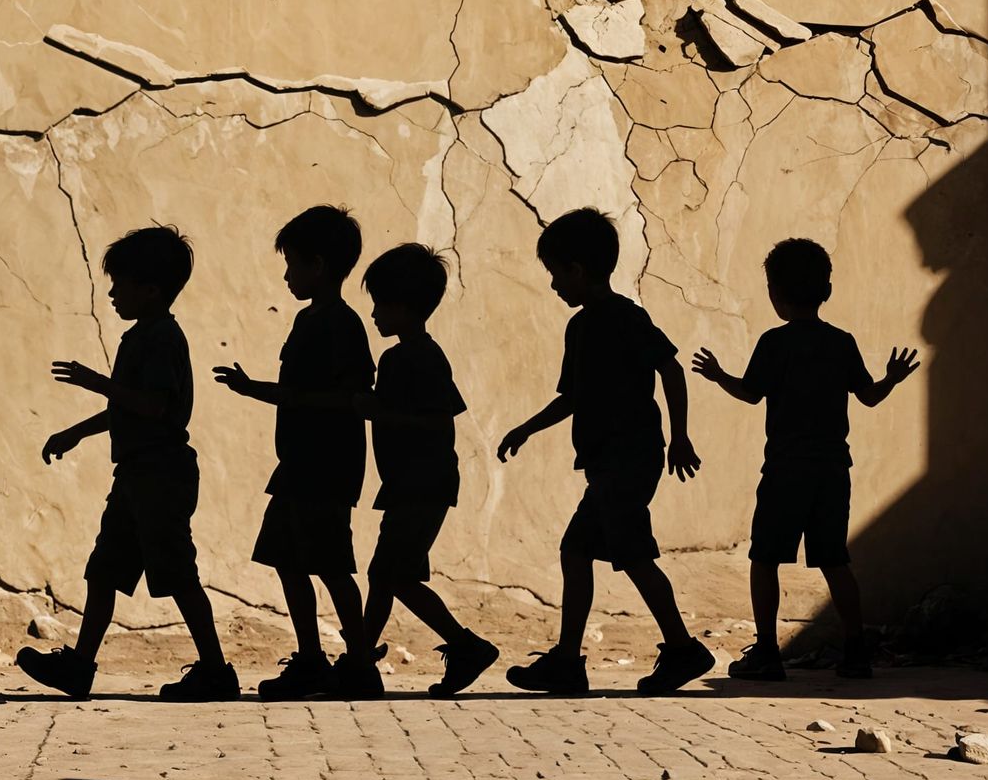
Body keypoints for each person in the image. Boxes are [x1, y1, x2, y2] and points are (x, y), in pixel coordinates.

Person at [497, 207, 711, 697]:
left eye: (555, 275)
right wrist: (526, 428)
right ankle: (567, 662)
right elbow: (571, 397)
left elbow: (671, 370)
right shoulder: (580, 328)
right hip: (606, 463)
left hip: (630, 458)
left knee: (633, 556)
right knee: (576, 551)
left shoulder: (625, 318)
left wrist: (680, 436)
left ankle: (683, 649)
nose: (553, 286)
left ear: (576, 270)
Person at [19, 226, 235, 702]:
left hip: (161, 474)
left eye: (121, 283)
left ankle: (216, 670)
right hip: (136, 474)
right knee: (105, 571)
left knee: (178, 573)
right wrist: (76, 432)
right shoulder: (140, 337)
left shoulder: (161, 338)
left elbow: (154, 405)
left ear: (152, 289)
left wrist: (95, 382)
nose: (112, 293)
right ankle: (79, 666)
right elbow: (129, 406)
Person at [691, 237, 919, 680]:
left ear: (775, 294)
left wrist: (719, 376)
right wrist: (891, 378)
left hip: (785, 468)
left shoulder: (773, 343)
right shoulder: (841, 343)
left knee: (766, 559)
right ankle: (856, 652)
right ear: (826, 291)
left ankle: (767, 653)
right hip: (833, 469)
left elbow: (751, 393)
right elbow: (869, 397)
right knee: (834, 560)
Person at [214, 206, 378, 700]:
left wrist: (267, 393)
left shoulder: (340, 325)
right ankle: (312, 659)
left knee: (330, 565)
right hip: (301, 465)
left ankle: (360, 663)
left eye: (293, 264)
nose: (287, 275)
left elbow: (352, 395)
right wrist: (257, 390)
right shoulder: (312, 320)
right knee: (288, 559)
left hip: (324, 467)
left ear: (319, 265)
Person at [355, 243, 498, 698]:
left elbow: (438, 420)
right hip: (411, 483)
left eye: (382, 304)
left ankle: (464, 644)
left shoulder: (415, 357)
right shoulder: (408, 355)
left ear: (405, 307)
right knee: (387, 574)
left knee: (390, 576)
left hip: (422, 482)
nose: (375, 314)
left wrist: (376, 411)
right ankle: (359, 657)